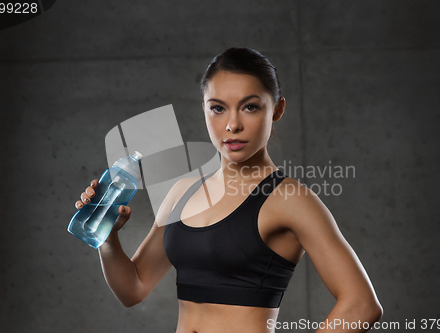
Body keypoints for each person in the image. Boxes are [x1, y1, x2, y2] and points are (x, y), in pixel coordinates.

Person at [75, 47, 383, 333]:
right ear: (205, 110)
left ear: (276, 109)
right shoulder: (183, 191)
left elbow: (361, 304)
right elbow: (134, 289)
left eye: (249, 107)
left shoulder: (290, 199)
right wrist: (107, 236)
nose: (232, 124)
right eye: (218, 108)